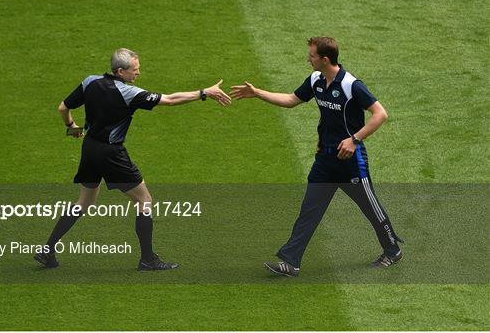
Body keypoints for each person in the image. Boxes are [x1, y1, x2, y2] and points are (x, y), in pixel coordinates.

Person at [34, 48, 231, 271]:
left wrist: (72, 127)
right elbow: (170, 100)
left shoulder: (90, 81)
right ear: (120, 71)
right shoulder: (129, 94)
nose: (138, 74)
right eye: (134, 70)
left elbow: (63, 107)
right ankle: (148, 259)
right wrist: (204, 92)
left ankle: (47, 249)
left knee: (85, 202)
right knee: (144, 201)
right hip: (112, 154)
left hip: (90, 148)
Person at [230, 37, 403, 277]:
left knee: (370, 208)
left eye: (311, 56)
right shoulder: (316, 80)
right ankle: (291, 262)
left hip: (351, 162)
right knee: (309, 210)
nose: (307, 59)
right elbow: (291, 100)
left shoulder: (351, 85)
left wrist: (354, 140)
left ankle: (392, 250)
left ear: (324, 59)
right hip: (325, 161)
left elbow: (380, 114)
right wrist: (257, 93)